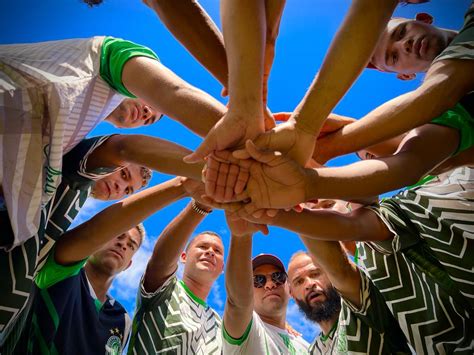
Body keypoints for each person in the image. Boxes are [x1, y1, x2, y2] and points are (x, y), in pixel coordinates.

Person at [207, 167, 474, 353]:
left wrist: (288, 202)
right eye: (299, 280)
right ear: (292, 293)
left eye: (315, 273)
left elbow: (342, 268)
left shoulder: (362, 305)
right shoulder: (309, 349)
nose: (310, 283)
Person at [0, 35, 228, 247]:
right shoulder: (103, 61)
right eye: (151, 102)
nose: (148, 113)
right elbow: (171, 92)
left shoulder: (66, 148)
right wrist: (231, 166)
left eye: (150, 120)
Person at [21, 176, 203, 354]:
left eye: (131, 245)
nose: (123, 244)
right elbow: (90, 235)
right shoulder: (62, 271)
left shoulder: (121, 320)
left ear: (128, 265)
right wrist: (183, 186)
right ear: (95, 244)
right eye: (118, 236)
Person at [128, 201, 225, 354]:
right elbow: (160, 262)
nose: (210, 252)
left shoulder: (219, 325)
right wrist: (200, 205)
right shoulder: (165, 289)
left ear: (222, 268)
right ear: (184, 257)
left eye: (217, 251)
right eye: (203, 247)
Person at [222, 215, 309, 354]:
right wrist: (241, 236)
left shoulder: (306, 347)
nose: (269, 285)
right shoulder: (248, 331)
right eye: (258, 280)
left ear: (290, 289)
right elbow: (237, 302)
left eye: (277, 277)